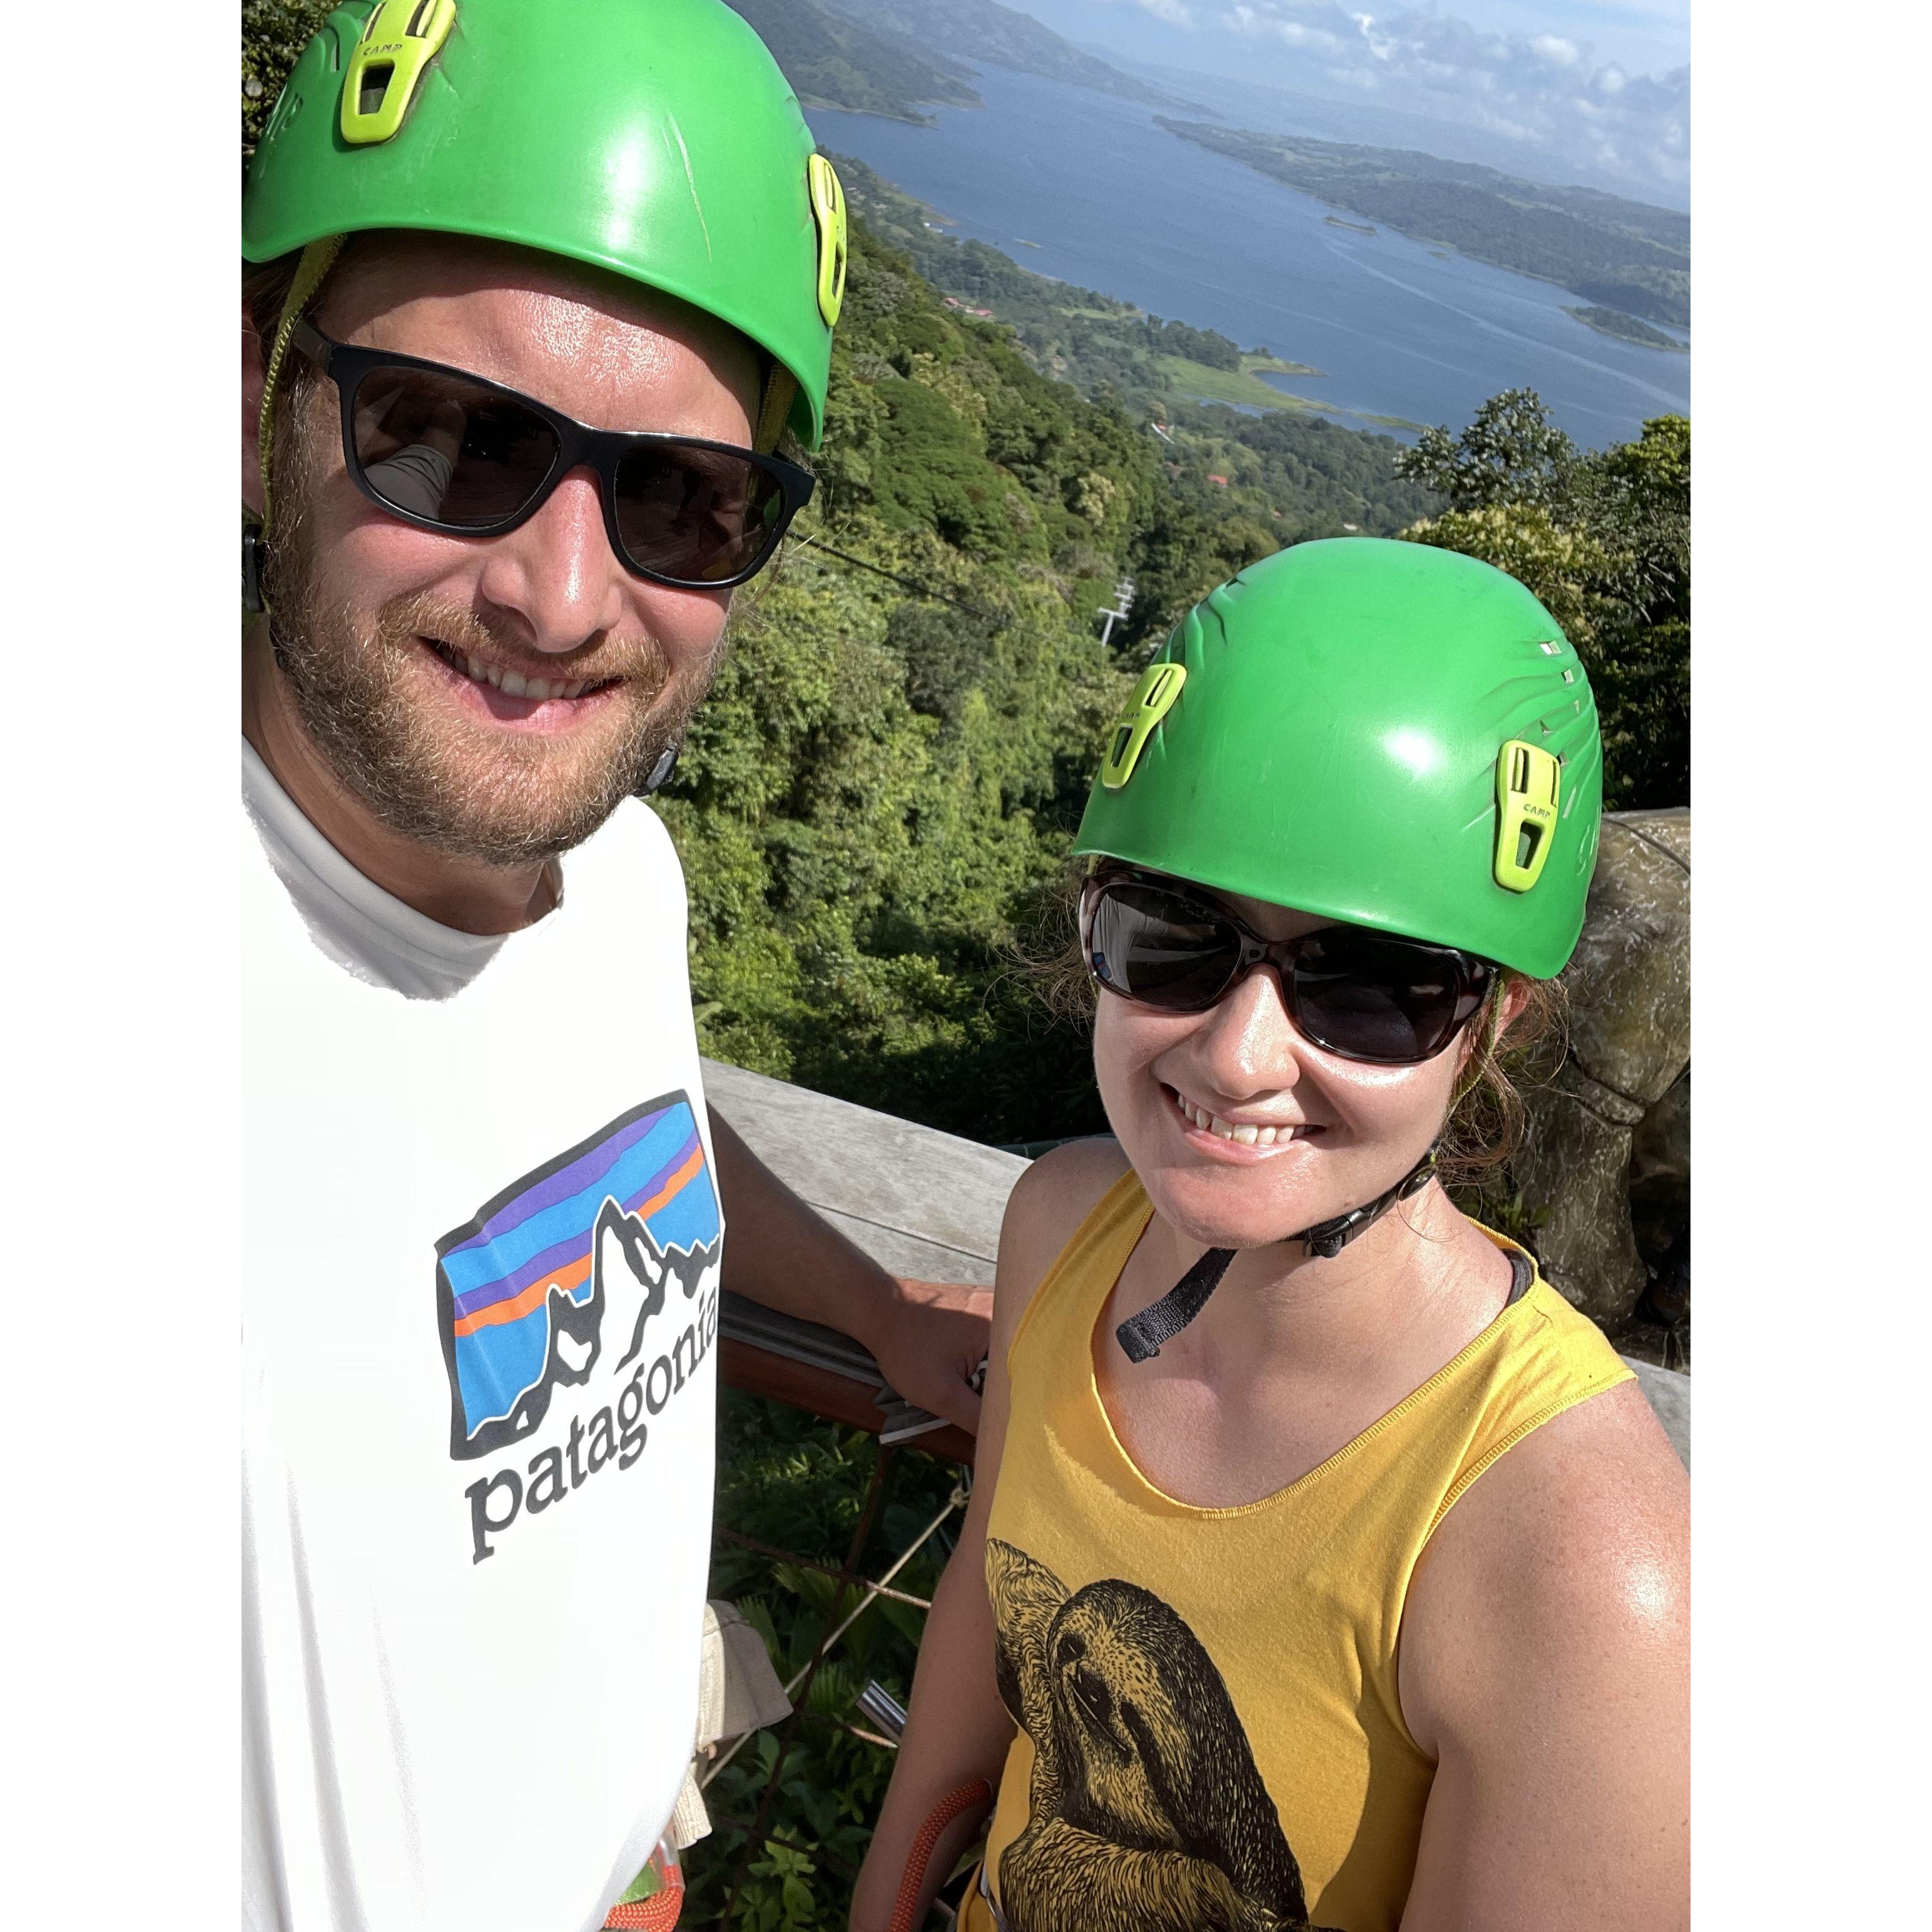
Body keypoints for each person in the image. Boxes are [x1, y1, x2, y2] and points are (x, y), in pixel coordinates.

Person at [239, 6, 988, 1929]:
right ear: (251, 402)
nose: (562, 597)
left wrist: (868, 1308)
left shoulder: (621, 878)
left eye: (679, 501)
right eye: (450, 438)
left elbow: (627, 1127)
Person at [851, 539, 1689, 1932]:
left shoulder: (1581, 1566)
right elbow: (971, 1656)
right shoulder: (1059, 1225)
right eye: (1171, 934)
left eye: (1368, 987)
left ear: (1492, 1029)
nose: (1239, 1056)